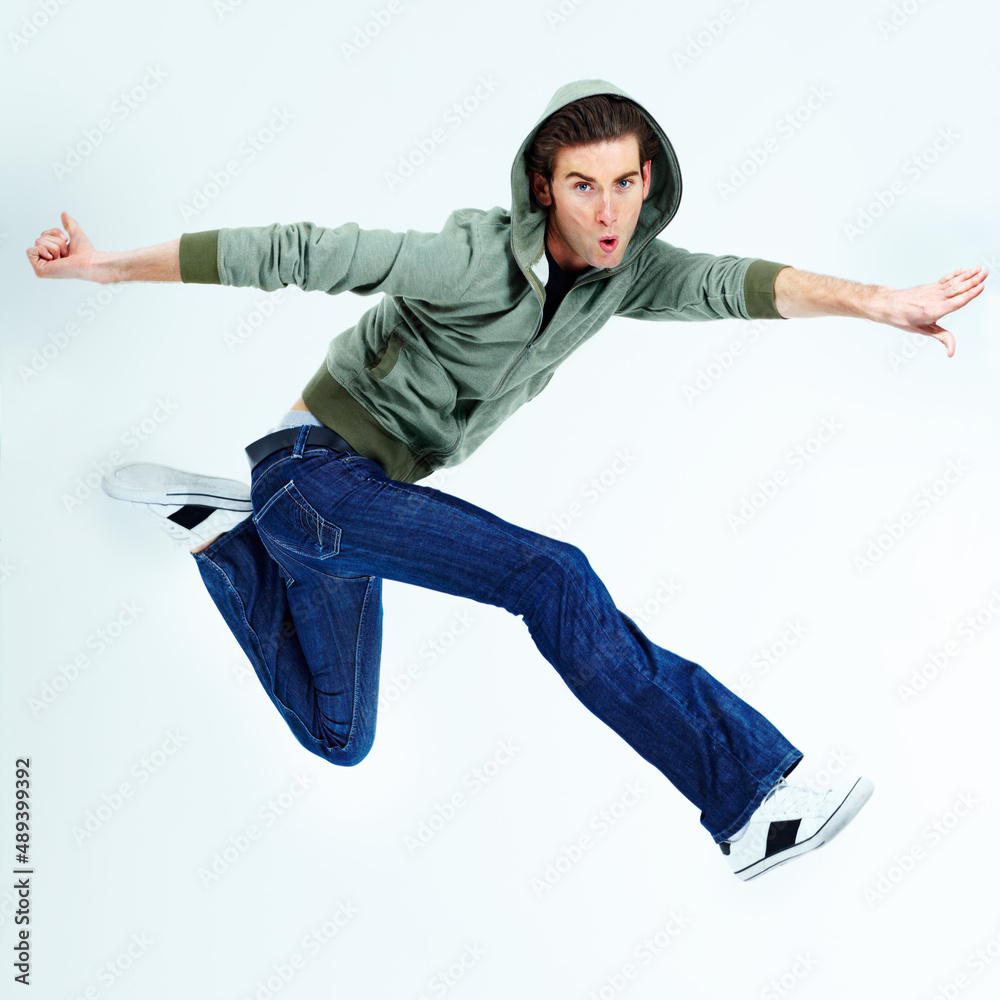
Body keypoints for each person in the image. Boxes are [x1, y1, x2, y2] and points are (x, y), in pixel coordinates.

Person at [27, 80, 987, 881]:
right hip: (320, 481)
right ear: (544, 187)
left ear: (647, 183)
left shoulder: (626, 272)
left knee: (339, 738)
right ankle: (752, 803)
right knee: (551, 577)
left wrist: (877, 302)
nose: (607, 211)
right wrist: (105, 269)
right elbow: (293, 251)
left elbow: (732, 282)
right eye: (583, 186)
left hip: (350, 512)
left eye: (624, 183)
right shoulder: (471, 259)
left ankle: (223, 537)